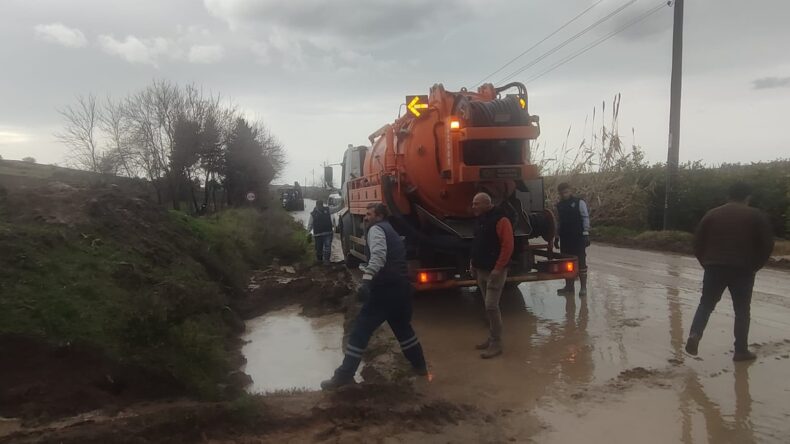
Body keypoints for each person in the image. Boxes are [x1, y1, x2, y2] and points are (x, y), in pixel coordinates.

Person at [321, 203, 428, 389]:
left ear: (379, 216)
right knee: (403, 330)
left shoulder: (376, 229)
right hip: (401, 288)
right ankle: (420, 367)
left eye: (369, 214)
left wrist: (367, 280)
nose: (365, 217)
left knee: (359, 331)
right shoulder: (390, 230)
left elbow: (378, 256)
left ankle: (344, 375)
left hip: (385, 288)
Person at [685, 182, 774, 361]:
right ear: (748, 197)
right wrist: (755, 265)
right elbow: (767, 245)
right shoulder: (755, 215)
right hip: (743, 269)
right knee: (742, 310)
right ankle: (741, 351)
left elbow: (697, 243)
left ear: (728, 196)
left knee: (706, 304)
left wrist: (707, 263)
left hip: (714, 267)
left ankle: (695, 334)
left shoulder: (712, 214)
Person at [470, 192, 514, 359]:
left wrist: (498, 268)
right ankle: (491, 338)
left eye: (476, 204)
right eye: (473, 204)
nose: (473, 207)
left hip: (495, 271)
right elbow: (476, 243)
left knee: (491, 306)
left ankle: (496, 343)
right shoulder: (480, 219)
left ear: (487, 204)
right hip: (481, 269)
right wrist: (472, 263)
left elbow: (507, 246)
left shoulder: (501, 220)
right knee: (487, 305)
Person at [554, 183, 591, 296]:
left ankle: (583, 288)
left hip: (578, 237)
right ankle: (569, 287)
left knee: (581, 261)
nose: (564, 194)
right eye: (562, 193)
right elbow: (558, 222)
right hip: (565, 238)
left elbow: (585, 217)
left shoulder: (579, 202)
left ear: (570, 191)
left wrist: (586, 234)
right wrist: (556, 237)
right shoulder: (559, 205)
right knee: (566, 262)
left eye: (566, 192)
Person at [307, 200, 333, 265]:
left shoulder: (327, 210)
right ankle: (319, 260)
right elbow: (310, 224)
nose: (320, 207)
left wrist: (342, 203)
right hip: (318, 234)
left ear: (322, 205)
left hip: (328, 233)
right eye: (319, 205)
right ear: (316, 205)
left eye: (321, 205)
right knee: (319, 248)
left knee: (327, 247)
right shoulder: (313, 214)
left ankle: (326, 261)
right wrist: (308, 232)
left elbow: (336, 209)